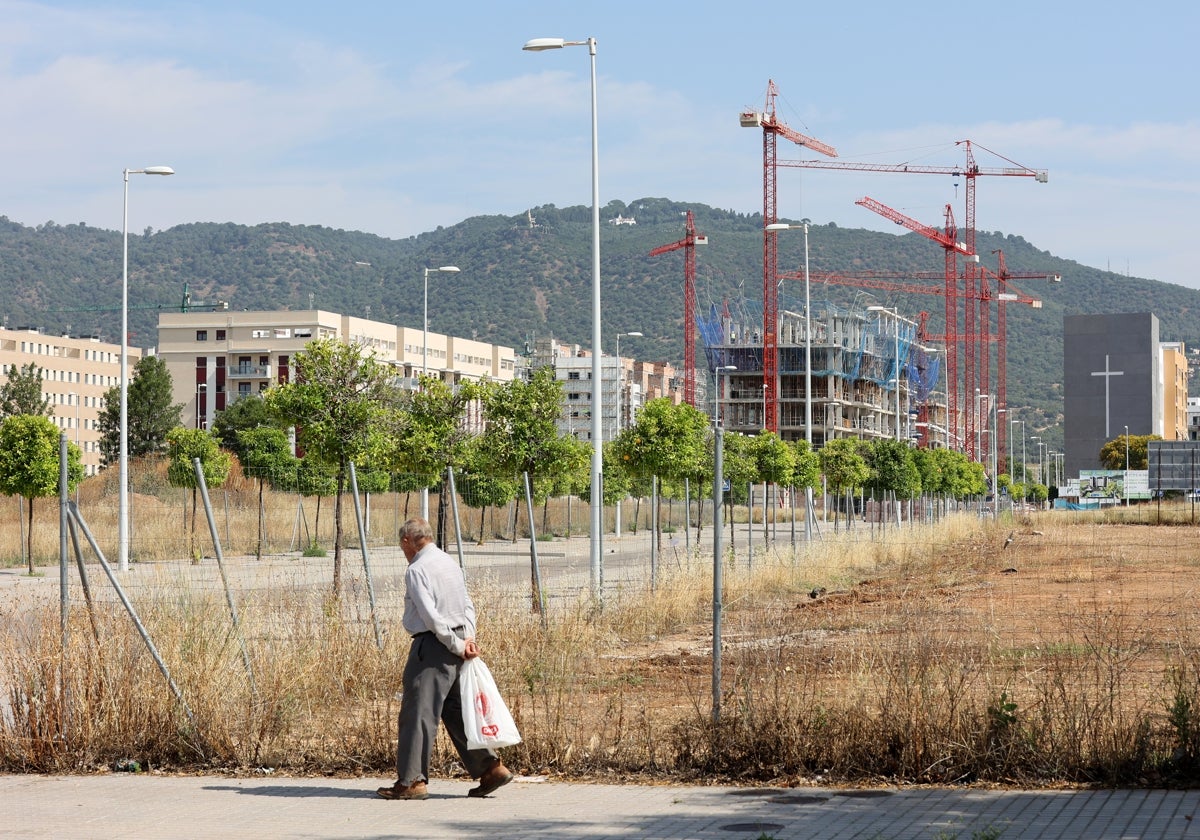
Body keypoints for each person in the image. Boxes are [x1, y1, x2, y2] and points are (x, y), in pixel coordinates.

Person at [377, 517, 514, 801]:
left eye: (402, 546)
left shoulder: (417, 569)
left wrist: (453, 643)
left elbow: (430, 616)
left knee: (418, 713)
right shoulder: (448, 562)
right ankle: (490, 768)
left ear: (407, 542)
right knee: (455, 710)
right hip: (460, 642)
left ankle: (412, 781)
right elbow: (467, 604)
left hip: (434, 646)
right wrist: (468, 639)